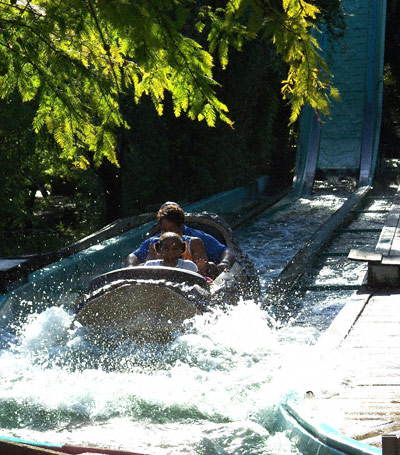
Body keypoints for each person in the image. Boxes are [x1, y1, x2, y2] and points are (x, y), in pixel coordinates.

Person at [125, 202, 234, 276]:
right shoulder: (154, 243)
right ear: (160, 250)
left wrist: (221, 264)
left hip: (188, 283)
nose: (168, 233)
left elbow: (225, 252)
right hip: (160, 285)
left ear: (181, 249)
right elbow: (134, 257)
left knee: (210, 266)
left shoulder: (195, 243)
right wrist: (131, 268)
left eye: (171, 229)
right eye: (166, 249)